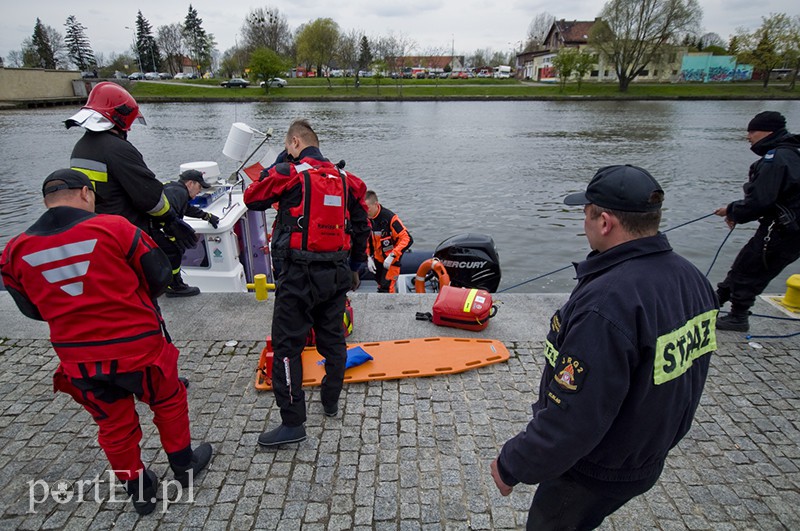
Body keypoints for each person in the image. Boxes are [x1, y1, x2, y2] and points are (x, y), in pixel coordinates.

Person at [490, 165, 718, 530]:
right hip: (644, 455)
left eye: (586, 214)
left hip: (592, 469)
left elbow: (576, 415)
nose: (584, 223)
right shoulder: (692, 279)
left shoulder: (608, 303)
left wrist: (512, 463)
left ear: (606, 222)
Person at [0, 169, 213, 515]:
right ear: (85, 193)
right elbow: (158, 277)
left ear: (46, 201)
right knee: (169, 400)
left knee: (112, 424)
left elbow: (32, 310)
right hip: (138, 348)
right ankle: (184, 465)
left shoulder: (14, 251)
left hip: (80, 360)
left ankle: (140, 490)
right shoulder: (114, 228)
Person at [244, 119, 370, 447]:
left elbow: (251, 197)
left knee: (288, 348)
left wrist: (279, 163)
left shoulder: (288, 174)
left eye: (288, 147)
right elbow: (361, 227)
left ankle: (293, 422)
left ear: (295, 143)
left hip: (297, 275)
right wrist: (356, 266)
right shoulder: (348, 181)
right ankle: (330, 401)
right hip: (337, 274)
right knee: (332, 340)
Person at [65, 81, 197, 253]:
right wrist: (170, 219)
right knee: (167, 255)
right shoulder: (118, 149)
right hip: (125, 232)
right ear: (121, 117)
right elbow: (150, 198)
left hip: (97, 230)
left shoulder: (80, 148)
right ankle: (174, 281)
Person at [714, 111, 800, 332]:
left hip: (783, 230)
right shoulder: (791, 154)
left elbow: (760, 201)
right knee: (745, 263)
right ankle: (714, 302)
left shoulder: (777, 159)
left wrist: (732, 211)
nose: (748, 136)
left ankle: (737, 316)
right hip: (788, 229)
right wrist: (735, 211)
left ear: (769, 131)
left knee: (750, 269)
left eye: (752, 131)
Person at [155, 169, 221, 297]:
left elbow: (185, 208)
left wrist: (206, 216)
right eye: (199, 187)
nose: (200, 191)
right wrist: (174, 232)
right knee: (174, 251)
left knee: (172, 251)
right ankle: (174, 286)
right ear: (190, 183)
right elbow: (167, 213)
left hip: (152, 228)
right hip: (155, 229)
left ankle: (172, 283)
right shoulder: (178, 192)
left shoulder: (174, 189)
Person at [365, 190, 413, 293]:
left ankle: (389, 307)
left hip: (391, 261)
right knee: (380, 284)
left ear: (376, 204)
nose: (365, 211)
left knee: (387, 289)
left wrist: (392, 256)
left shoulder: (390, 218)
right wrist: (368, 257)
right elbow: (366, 239)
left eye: (367, 208)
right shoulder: (366, 219)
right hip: (377, 260)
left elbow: (407, 239)